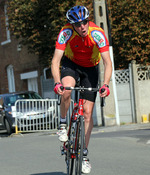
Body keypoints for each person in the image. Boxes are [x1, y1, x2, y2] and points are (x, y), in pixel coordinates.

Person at [51, 5, 112, 174]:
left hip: (90, 68)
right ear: (72, 25)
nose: (82, 27)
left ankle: (84, 155)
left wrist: (105, 84)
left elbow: (108, 62)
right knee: (67, 90)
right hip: (71, 64)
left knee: (86, 112)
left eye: (84, 22)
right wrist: (57, 82)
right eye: (78, 24)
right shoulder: (66, 33)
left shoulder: (97, 33)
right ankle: (63, 124)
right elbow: (56, 61)